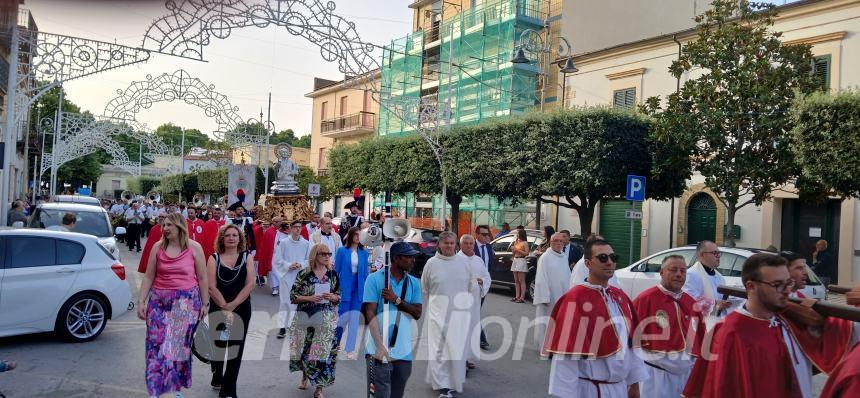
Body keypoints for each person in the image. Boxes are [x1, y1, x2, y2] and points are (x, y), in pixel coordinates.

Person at [682, 254, 810, 398]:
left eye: (788, 283)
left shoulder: (788, 321)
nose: (787, 290)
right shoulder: (731, 333)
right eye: (777, 285)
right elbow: (723, 389)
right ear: (751, 286)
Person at [543, 239, 647, 398]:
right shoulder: (574, 299)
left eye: (613, 257)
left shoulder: (620, 297)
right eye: (603, 258)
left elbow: (632, 346)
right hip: (590, 390)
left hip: (620, 389)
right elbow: (565, 357)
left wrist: (635, 385)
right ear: (588, 263)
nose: (610, 262)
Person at [137, 213, 209, 398]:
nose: (165, 228)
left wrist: (205, 303)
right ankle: (155, 388)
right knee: (155, 345)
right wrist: (141, 301)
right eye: (164, 225)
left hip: (186, 303)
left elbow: (202, 277)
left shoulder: (194, 247)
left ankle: (175, 388)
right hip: (159, 302)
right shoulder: (157, 247)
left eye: (170, 225)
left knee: (177, 347)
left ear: (180, 227)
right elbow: (148, 276)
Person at [632, 255, 705, 397]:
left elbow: (700, 341)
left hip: (685, 377)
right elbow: (630, 338)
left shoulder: (691, 303)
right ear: (661, 272)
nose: (679, 274)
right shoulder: (646, 299)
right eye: (673, 270)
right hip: (655, 375)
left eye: (683, 271)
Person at [363, 242, 423, 398]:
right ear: (396, 258)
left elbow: (417, 313)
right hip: (377, 350)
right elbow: (370, 314)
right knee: (379, 395)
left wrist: (396, 299)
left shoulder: (414, 283)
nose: (413, 261)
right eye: (409, 257)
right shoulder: (374, 279)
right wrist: (379, 346)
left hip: (403, 351)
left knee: (397, 394)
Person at [421, 231, 473, 398]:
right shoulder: (431, 263)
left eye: (452, 243)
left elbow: (471, 285)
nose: (449, 246)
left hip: (458, 315)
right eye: (446, 243)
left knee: (455, 350)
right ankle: (443, 385)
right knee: (438, 350)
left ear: (455, 244)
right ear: (440, 245)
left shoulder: (463, 263)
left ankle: (453, 381)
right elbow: (426, 287)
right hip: (437, 313)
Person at [207, 224, 256, 398]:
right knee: (219, 346)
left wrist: (233, 305)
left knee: (236, 348)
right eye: (227, 235)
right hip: (218, 307)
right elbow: (211, 287)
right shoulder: (213, 258)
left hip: (241, 307)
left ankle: (228, 390)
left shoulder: (247, 257)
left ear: (240, 238)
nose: (231, 238)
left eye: (235, 235)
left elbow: (250, 284)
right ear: (222, 238)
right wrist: (224, 306)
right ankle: (217, 375)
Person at [288, 243, 342, 398]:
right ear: (315, 255)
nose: (327, 256)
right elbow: (293, 297)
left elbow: (339, 295)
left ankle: (319, 388)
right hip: (305, 318)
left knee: (322, 355)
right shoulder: (304, 273)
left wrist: (333, 297)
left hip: (325, 319)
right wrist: (309, 298)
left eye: (329, 254)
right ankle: (305, 375)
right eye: (323, 254)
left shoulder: (333, 274)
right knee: (304, 352)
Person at [334, 227, 369, 359]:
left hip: (359, 287)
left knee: (354, 318)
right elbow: (336, 271)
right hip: (345, 285)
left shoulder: (364, 252)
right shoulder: (342, 251)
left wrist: (366, 290)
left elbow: (365, 272)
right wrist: (334, 289)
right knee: (343, 317)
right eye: (355, 235)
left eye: (359, 235)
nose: (357, 237)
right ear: (350, 236)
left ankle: (350, 348)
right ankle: (336, 342)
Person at [683, 240, 737, 328]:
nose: (718, 256)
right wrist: (715, 303)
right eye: (715, 253)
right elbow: (690, 299)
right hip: (699, 325)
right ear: (702, 255)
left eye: (719, 253)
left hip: (717, 323)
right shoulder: (691, 274)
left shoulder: (720, 277)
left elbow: (721, 300)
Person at [532, 233, 572, 348]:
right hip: (549, 297)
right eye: (556, 241)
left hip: (562, 295)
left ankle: (556, 345)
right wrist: (544, 296)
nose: (559, 243)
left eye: (561, 241)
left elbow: (567, 275)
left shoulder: (564, 256)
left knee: (560, 322)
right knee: (547, 322)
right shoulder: (545, 257)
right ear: (551, 242)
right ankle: (544, 346)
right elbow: (541, 278)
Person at [458, 234, 491, 369]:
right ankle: (460, 359)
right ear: (460, 245)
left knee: (472, 328)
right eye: (465, 243)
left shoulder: (479, 260)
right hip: (459, 302)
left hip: (475, 301)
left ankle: (469, 357)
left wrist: (482, 281)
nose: (468, 245)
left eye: (471, 243)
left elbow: (486, 276)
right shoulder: (456, 260)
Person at [273, 220, 311, 339]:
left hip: (300, 276)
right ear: (290, 228)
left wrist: (300, 264)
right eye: (295, 227)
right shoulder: (284, 243)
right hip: (287, 275)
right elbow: (278, 259)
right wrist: (288, 265)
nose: (298, 229)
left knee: (299, 301)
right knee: (285, 302)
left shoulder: (306, 243)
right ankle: (282, 328)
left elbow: (309, 259)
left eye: (299, 227)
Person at [472, 225, 495, 350]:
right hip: (472, 285)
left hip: (484, 285)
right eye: (484, 234)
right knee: (474, 311)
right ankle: (481, 339)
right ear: (477, 235)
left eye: (488, 234)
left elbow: (490, 265)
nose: (487, 237)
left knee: (475, 312)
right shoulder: (471, 246)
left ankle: (478, 338)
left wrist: (487, 280)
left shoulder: (489, 247)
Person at [510, 229, 529, 303]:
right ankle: (517, 296)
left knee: (521, 280)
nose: (517, 235)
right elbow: (513, 253)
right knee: (516, 280)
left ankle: (522, 297)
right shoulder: (517, 241)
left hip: (521, 260)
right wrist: (513, 250)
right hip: (515, 259)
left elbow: (527, 253)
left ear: (521, 234)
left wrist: (517, 250)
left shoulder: (525, 243)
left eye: (518, 233)